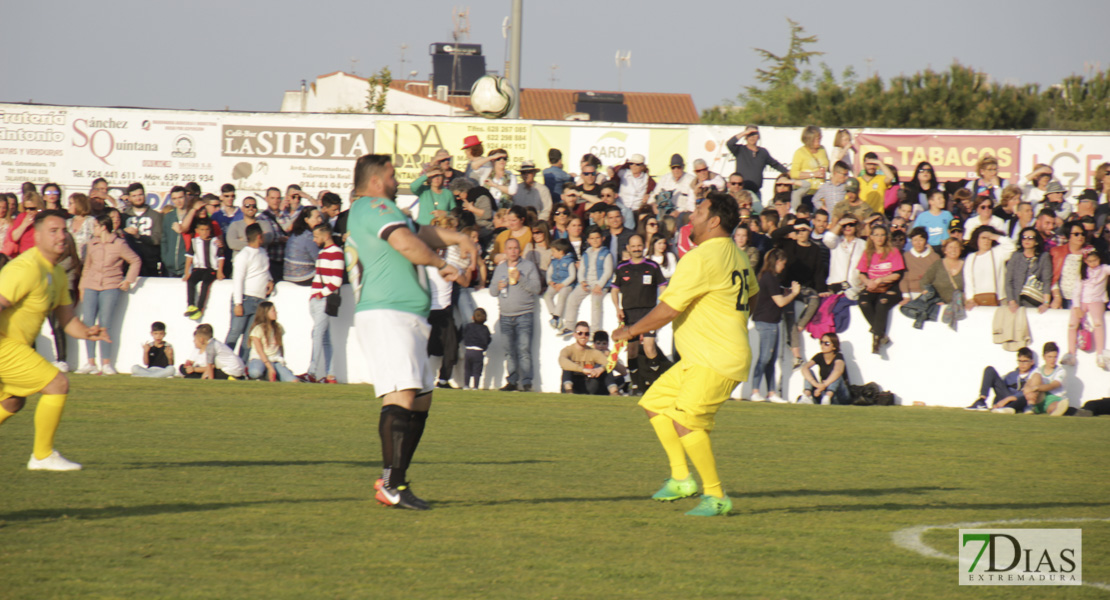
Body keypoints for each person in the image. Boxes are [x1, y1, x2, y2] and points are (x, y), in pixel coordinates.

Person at [612, 192, 758, 517]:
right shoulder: (737, 254)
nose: (692, 217)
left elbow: (667, 309)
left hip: (714, 359)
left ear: (715, 220)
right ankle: (681, 479)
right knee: (654, 404)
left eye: (700, 211)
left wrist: (629, 330)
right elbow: (753, 298)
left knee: (687, 423)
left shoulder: (701, 257)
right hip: (705, 357)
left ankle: (716, 497)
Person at [347, 153, 477, 511]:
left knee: (420, 399)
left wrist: (458, 239)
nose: (396, 180)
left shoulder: (382, 210)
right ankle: (390, 483)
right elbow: (405, 243)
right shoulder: (372, 205)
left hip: (406, 314)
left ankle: (397, 481)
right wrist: (443, 264)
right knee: (401, 395)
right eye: (391, 175)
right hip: (386, 312)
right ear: (375, 182)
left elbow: (419, 232)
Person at [0, 210, 111, 470]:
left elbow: (66, 317)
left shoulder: (57, 273)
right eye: (53, 231)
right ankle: (42, 455)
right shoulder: (25, 268)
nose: (61, 236)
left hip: (15, 347)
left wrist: (87, 332)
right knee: (57, 383)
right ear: (36, 236)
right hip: (4, 345)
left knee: (13, 400)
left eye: (64, 230)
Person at [75, 214, 140, 375]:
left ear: (103, 227)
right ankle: (90, 362)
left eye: (96, 226)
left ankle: (106, 363)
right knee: (89, 322)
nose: (93, 229)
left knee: (105, 324)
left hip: (110, 285)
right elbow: (87, 267)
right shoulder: (92, 244)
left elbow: (135, 260)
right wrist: (82, 287)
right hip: (91, 285)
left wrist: (128, 280)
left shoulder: (119, 244)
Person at [610, 234, 666, 394]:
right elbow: (614, 290)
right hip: (629, 315)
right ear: (628, 248)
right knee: (632, 350)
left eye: (639, 246)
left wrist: (662, 306)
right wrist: (618, 309)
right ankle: (635, 386)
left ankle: (657, 386)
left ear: (644, 246)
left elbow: (663, 288)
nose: (636, 249)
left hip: (649, 314)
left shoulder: (653, 266)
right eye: (633, 246)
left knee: (649, 348)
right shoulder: (622, 268)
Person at [489, 238, 542, 392]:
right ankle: (512, 381)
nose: (513, 251)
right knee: (509, 351)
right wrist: (498, 287)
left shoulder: (528, 266)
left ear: (519, 250)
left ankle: (526, 382)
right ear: (505, 251)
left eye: (515, 248)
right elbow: (492, 291)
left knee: (524, 349)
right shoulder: (500, 268)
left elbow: (537, 288)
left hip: (524, 314)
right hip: (505, 315)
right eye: (510, 248)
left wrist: (521, 279)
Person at [749, 248, 798, 404]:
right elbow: (780, 302)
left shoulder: (769, 278)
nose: (783, 267)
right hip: (766, 322)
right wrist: (794, 293)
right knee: (764, 358)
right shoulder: (769, 278)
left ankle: (771, 392)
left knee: (770, 359)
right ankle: (755, 391)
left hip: (771, 321)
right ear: (777, 262)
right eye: (782, 263)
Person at [225, 224, 273, 362]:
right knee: (235, 333)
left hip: (259, 301)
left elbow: (264, 270)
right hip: (245, 299)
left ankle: (241, 366)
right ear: (259, 236)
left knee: (249, 337)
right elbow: (238, 279)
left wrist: (270, 280)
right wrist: (238, 303)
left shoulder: (262, 252)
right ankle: (224, 365)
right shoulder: (243, 255)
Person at [305, 222, 343, 384]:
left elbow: (336, 281)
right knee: (324, 337)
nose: (314, 240)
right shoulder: (323, 253)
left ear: (326, 236)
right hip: (318, 299)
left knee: (317, 334)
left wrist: (321, 294)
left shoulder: (336, 253)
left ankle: (312, 371)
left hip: (323, 299)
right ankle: (331, 375)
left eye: (316, 236)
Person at [857, 225, 904, 354]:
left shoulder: (893, 251)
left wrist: (880, 279)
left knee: (882, 303)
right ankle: (881, 334)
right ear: (871, 237)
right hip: (872, 286)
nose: (879, 238)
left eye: (882, 235)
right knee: (863, 301)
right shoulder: (867, 253)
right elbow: (861, 273)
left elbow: (897, 274)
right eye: (876, 235)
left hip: (889, 286)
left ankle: (876, 339)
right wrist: (867, 281)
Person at [1062, 250, 1110, 368]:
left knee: (1098, 323)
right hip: (1082, 300)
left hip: (1096, 299)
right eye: (1090, 261)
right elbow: (1077, 290)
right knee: (1072, 324)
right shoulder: (1083, 272)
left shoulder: (1103, 269)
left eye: (1095, 260)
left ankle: (1100, 354)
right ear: (1085, 261)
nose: (1093, 263)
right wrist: (1077, 307)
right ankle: (1071, 353)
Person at [562, 226, 613, 336]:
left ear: (602, 238)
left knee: (595, 303)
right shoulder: (586, 253)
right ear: (588, 240)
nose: (595, 240)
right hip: (587, 283)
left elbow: (608, 271)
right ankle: (570, 325)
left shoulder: (606, 254)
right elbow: (582, 270)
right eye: (592, 238)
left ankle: (594, 331)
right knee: (572, 298)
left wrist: (599, 285)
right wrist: (582, 282)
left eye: (597, 238)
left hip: (600, 285)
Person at [725, 126, 789, 200]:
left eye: (754, 134)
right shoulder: (740, 150)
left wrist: (788, 172)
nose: (752, 137)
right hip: (741, 192)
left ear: (758, 136)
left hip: (756, 192)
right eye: (749, 134)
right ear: (745, 137)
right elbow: (729, 143)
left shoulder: (763, 152)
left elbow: (775, 164)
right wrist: (744, 133)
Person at [965, 347, 1037, 412]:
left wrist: (1008, 399)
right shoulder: (1011, 375)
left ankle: (1008, 407)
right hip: (1006, 397)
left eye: (1025, 361)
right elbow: (1000, 389)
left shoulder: (1035, 375)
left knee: (1025, 396)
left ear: (1032, 362)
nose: (1022, 364)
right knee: (989, 370)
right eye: (1020, 361)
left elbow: (1030, 392)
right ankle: (981, 400)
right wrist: (996, 403)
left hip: (1019, 401)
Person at [964, 226, 1015, 309]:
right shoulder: (971, 257)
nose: (986, 241)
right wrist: (970, 299)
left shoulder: (998, 252)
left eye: (989, 238)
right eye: (983, 238)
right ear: (977, 239)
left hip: (1000, 300)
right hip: (977, 301)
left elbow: (1012, 246)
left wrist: (995, 236)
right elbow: (968, 280)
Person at [558, 321, 615, 395]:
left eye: (586, 334)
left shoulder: (593, 352)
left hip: (589, 383)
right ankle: (569, 392)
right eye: (580, 333)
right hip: (573, 383)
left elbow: (609, 363)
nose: (583, 336)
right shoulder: (568, 350)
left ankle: (614, 392)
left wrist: (601, 369)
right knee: (566, 368)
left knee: (606, 369)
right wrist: (582, 370)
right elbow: (562, 361)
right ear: (575, 335)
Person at [1004, 227, 1052, 313]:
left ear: (1036, 241)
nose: (1027, 240)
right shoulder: (1016, 256)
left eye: (1030, 238)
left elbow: (1046, 282)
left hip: (1035, 301)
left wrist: (1046, 303)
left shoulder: (1044, 257)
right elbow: (1008, 280)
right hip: (1016, 302)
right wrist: (1012, 301)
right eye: (1024, 237)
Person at [182, 220, 223, 320]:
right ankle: (191, 305)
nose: (204, 232)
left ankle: (200, 309)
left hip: (211, 269)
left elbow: (221, 257)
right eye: (202, 230)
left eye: (207, 230)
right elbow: (189, 257)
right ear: (197, 230)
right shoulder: (195, 242)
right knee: (190, 281)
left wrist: (220, 271)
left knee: (205, 284)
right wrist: (186, 272)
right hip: (198, 268)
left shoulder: (216, 242)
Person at [245, 301, 295, 382]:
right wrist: (269, 366)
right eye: (273, 310)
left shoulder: (278, 327)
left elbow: (280, 346)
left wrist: (282, 361)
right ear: (265, 313)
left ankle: (272, 374)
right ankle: (260, 373)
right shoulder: (258, 329)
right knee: (255, 373)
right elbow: (259, 351)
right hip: (260, 358)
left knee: (293, 380)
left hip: (275, 359)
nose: (276, 312)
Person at [121, 182, 164, 276]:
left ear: (144, 195)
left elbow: (157, 239)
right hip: (128, 262)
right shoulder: (123, 215)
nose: (138, 198)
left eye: (140, 195)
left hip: (149, 262)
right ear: (129, 197)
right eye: (134, 196)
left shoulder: (155, 215)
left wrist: (139, 236)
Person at [1050, 222, 1093, 310]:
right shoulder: (1057, 252)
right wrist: (1057, 297)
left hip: (1083, 299)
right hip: (1064, 299)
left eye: (1083, 234)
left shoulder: (1090, 252)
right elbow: (1052, 277)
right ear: (1068, 236)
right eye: (1076, 234)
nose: (1080, 237)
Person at [799, 333, 851, 405]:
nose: (822, 345)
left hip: (840, 395)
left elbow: (838, 370)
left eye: (826, 343)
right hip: (823, 390)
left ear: (834, 346)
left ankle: (827, 397)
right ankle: (807, 396)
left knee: (836, 375)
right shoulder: (819, 356)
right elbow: (804, 368)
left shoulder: (839, 356)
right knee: (809, 371)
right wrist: (816, 385)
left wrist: (823, 385)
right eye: (821, 342)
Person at [180, 323, 245, 380]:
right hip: (237, 368)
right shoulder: (215, 343)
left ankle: (232, 378)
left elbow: (210, 367)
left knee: (193, 377)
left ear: (201, 339)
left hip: (231, 370)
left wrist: (209, 380)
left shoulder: (210, 347)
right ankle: (237, 377)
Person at [1021, 342, 1070, 416]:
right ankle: (1030, 406)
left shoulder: (1061, 371)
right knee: (1036, 376)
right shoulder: (1038, 370)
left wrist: (1036, 388)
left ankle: (1056, 410)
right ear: (1044, 357)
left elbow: (1053, 385)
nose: (1053, 360)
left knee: (1054, 406)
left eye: (1055, 357)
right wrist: (1028, 389)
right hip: (1038, 397)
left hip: (1053, 398)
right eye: (1050, 357)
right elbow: (1028, 384)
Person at [789, 126, 829, 209]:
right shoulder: (800, 152)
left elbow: (827, 165)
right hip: (807, 191)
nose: (819, 139)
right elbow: (794, 173)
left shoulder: (822, 150)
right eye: (817, 138)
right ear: (810, 139)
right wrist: (813, 174)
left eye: (820, 137)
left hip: (821, 191)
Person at [543, 238, 577, 331]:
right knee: (547, 296)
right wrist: (550, 282)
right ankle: (554, 315)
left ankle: (557, 317)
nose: (552, 253)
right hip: (555, 283)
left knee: (562, 296)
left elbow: (572, 276)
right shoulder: (553, 261)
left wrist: (562, 284)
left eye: (554, 251)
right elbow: (549, 273)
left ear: (561, 252)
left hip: (566, 285)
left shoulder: (569, 261)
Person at [283, 207, 322, 285]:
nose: (320, 220)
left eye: (320, 216)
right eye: (317, 217)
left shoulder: (295, 233)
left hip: (287, 275)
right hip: (303, 277)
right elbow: (318, 259)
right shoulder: (309, 237)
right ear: (306, 220)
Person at [160, 186, 190, 277]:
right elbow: (164, 239)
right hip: (170, 267)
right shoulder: (169, 217)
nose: (178, 201)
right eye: (174, 199)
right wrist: (166, 258)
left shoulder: (192, 216)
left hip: (187, 266)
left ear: (186, 197)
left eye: (181, 197)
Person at [900, 227, 939, 298]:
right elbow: (904, 279)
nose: (918, 243)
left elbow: (938, 279)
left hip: (929, 293)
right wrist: (906, 295)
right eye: (915, 240)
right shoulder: (905, 256)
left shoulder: (935, 257)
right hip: (910, 292)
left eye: (921, 240)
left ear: (926, 241)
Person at [461, 308, 491, 390]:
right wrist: (484, 348)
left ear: (472, 317)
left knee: (467, 369)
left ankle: (466, 385)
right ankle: (475, 387)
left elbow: (463, 335)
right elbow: (488, 340)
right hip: (478, 352)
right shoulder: (485, 329)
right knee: (477, 370)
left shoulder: (468, 326)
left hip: (468, 350)